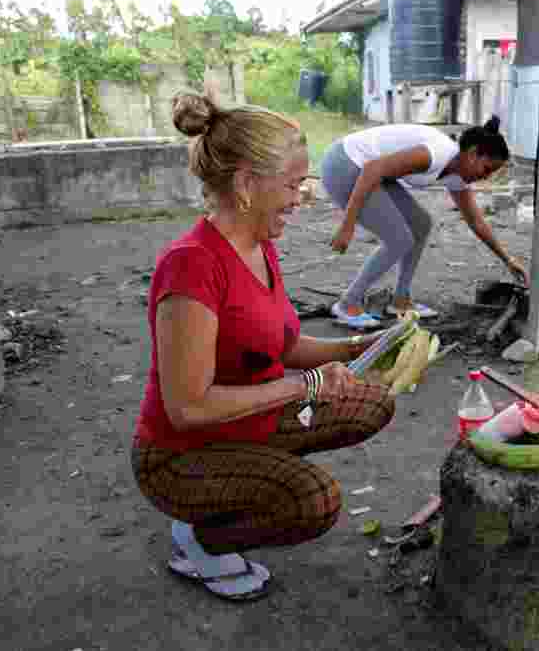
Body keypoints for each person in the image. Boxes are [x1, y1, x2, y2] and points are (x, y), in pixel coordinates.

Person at [131, 86, 395, 602]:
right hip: (179, 455)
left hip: (243, 424)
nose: (302, 198)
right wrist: (304, 388)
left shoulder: (259, 247)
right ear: (248, 184)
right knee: (315, 501)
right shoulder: (191, 266)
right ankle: (200, 539)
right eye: (294, 184)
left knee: (372, 402)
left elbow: (286, 345)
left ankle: (240, 490)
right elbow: (187, 407)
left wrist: (361, 346)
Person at [321, 116, 528, 329]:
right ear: (473, 154)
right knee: (398, 239)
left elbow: (476, 221)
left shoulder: (457, 174)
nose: (484, 178)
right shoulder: (435, 155)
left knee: (420, 224)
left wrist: (507, 259)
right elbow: (373, 169)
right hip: (345, 163)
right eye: (486, 170)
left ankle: (400, 301)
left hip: (370, 171)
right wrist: (348, 225)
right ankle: (348, 304)